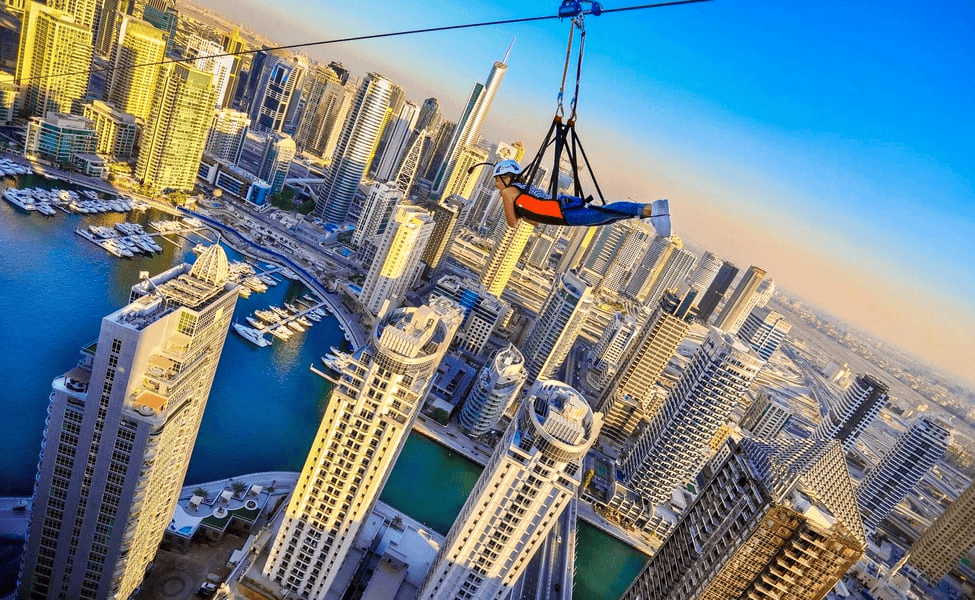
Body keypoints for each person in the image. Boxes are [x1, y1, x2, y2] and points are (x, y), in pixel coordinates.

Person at [492, 160, 671, 237]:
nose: (496, 185)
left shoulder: (508, 193)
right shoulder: (522, 189)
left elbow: (512, 223)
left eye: (497, 181)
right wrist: (524, 213)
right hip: (564, 208)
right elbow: (536, 221)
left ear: (506, 178)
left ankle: (650, 209)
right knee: (607, 218)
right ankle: (647, 212)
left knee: (604, 214)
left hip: (563, 213)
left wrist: (515, 210)